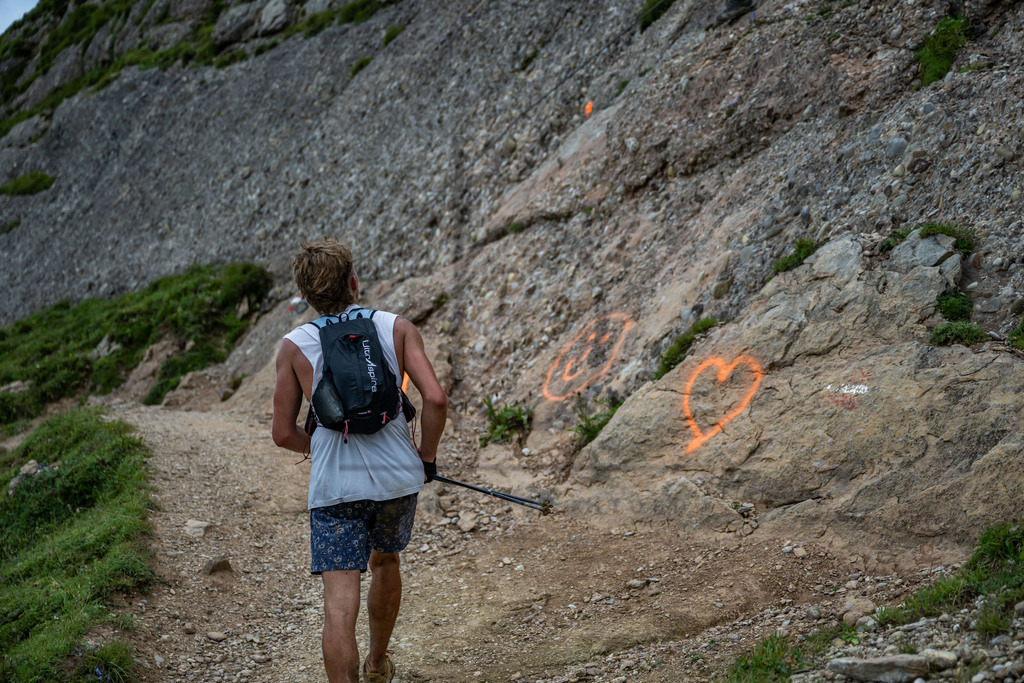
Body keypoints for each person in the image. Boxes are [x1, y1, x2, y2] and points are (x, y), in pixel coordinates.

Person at [272, 239, 447, 683]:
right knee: (385, 562)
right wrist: (424, 458)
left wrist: (317, 446)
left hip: (335, 488)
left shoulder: (294, 347)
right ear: (353, 281)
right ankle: (377, 663)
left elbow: (282, 433)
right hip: (396, 482)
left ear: (308, 297)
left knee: (338, 602)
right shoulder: (397, 328)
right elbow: (436, 399)